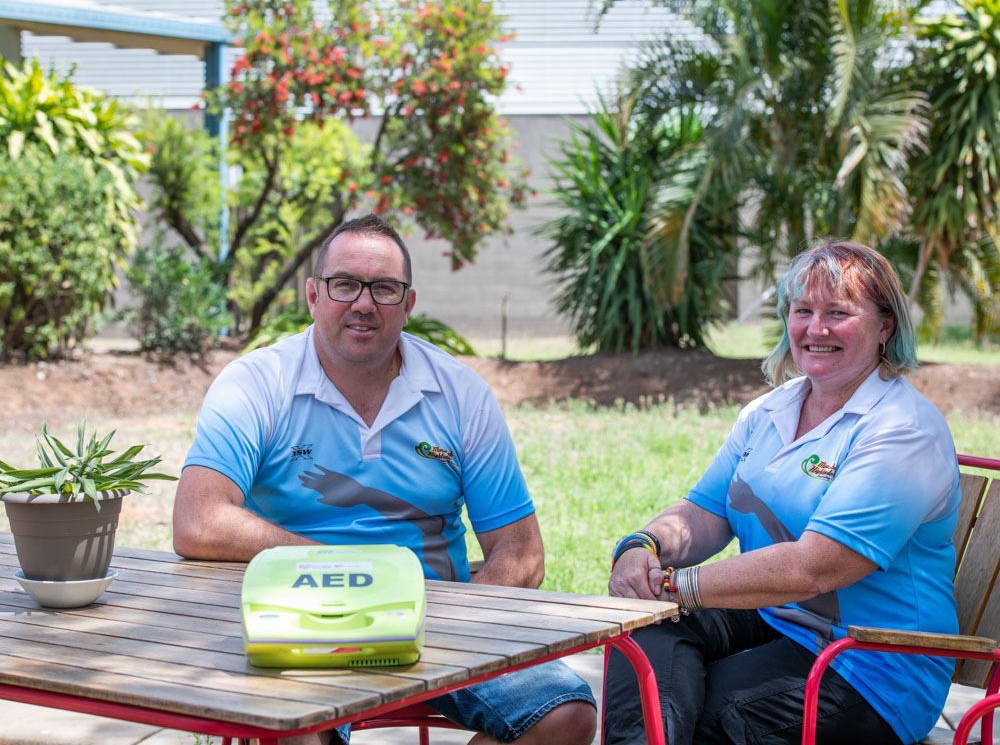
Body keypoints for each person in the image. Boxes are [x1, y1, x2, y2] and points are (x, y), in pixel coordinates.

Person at [173, 213, 597, 745]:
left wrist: (433, 619)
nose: (364, 303)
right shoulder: (258, 384)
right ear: (313, 295)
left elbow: (521, 554)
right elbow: (198, 520)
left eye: (384, 289)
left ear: (409, 304)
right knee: (293, 732)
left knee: (566, 714)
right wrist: (361, 582)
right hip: (303, 621)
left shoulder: (459, 393)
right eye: (345, 284)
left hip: (432, 623)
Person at [604, 241, 960, 745]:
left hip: (871, 664)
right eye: (803, 311)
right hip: (778, 621)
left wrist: (675, 584)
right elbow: (705, 512)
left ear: (886, 327)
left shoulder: (902, 431)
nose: (816, 329)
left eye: (838, 313)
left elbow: (814, 568)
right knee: (642, 632)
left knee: (706, 716)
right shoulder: (770, 412)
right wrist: (641, 548)